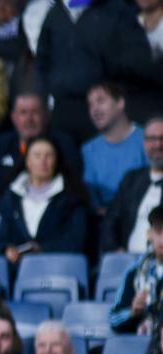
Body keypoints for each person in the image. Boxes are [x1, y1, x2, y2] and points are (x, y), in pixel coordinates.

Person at [35, 0, 162, 143]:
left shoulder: (117, 11)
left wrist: (108, 84)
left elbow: (138, 60)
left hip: (107, 106)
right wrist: (49, 91)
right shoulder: (56, 14)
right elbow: (41, 61)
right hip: (63, 108)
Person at [0, 136, 90, 263]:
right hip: (18, 268)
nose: (43, 161)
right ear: (27, 161)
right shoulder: (12, 196)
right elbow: (0, 239)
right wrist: (7, 249)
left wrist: (42, 249)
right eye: (37, 155)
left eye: (49, 155)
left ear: (56, 160)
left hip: (59, 266)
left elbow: (76, 241)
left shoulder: (72, 197)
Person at [0, 92, 82, 214]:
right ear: (13, 117)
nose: (29, 119)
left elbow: (73, 188)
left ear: (46, 115)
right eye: (23, 112)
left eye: (35, 112)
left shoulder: (64, 144)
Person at [100, 116, 163, 253]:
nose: (158, 145)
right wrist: (116, 250)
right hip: (127, 259)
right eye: (152, 139)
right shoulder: (131, 179)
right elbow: (110, 220)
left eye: (162, 138)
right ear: (144, 142)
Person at [82, 82, 148, 212]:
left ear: (120, 103)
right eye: (90, 104)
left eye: (101, 101)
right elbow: (92, 197)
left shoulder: (148, 140)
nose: (95, 109)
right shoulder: (89, 149)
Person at [110, 206, 163, 334]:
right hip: (142, 341)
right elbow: (114, 319)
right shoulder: (135, 272)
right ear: (149, 234)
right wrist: (133, 312)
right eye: (158, 231)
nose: (162, 239)